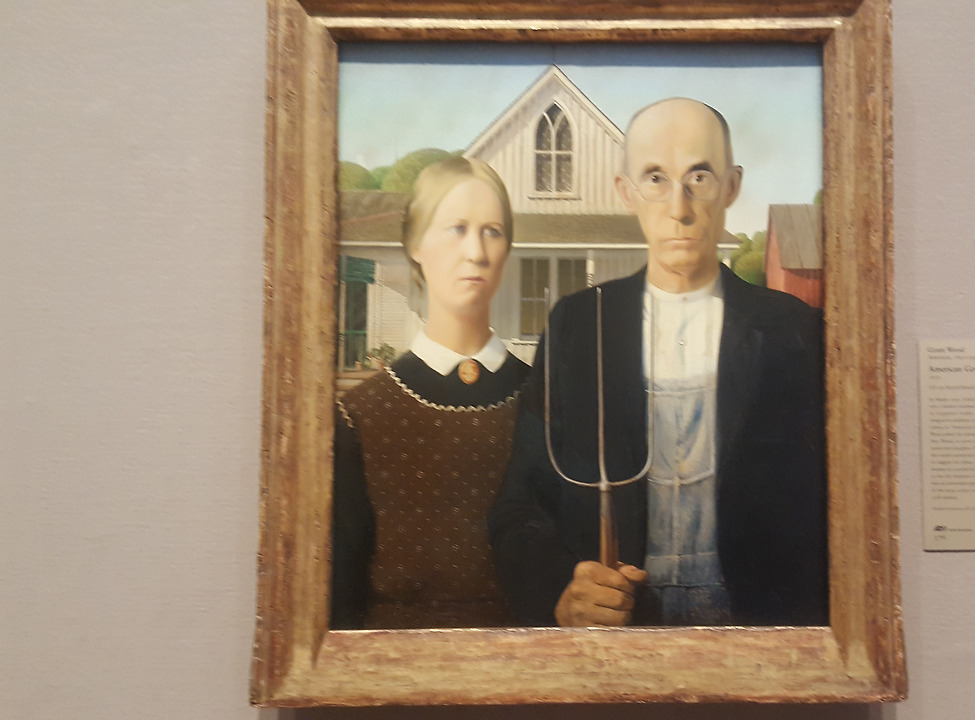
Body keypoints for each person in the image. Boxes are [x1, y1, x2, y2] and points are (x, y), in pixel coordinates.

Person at [488, 98, 827, 627]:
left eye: (699, 177)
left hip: (756, 634)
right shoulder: (580, 327)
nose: (679, 207)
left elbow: (832, 513)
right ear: (626, 191)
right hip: (620, 635)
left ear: (732, 186)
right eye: (655, 179)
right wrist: (561, 590)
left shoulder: (793, 333)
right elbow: (520, 506)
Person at [330, 157, 530, 629]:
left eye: (493, 232)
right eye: (457, 229)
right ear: (416, 244)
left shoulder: (547, 399)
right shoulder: (359, 416)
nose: (476, 252)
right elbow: (339, 610)